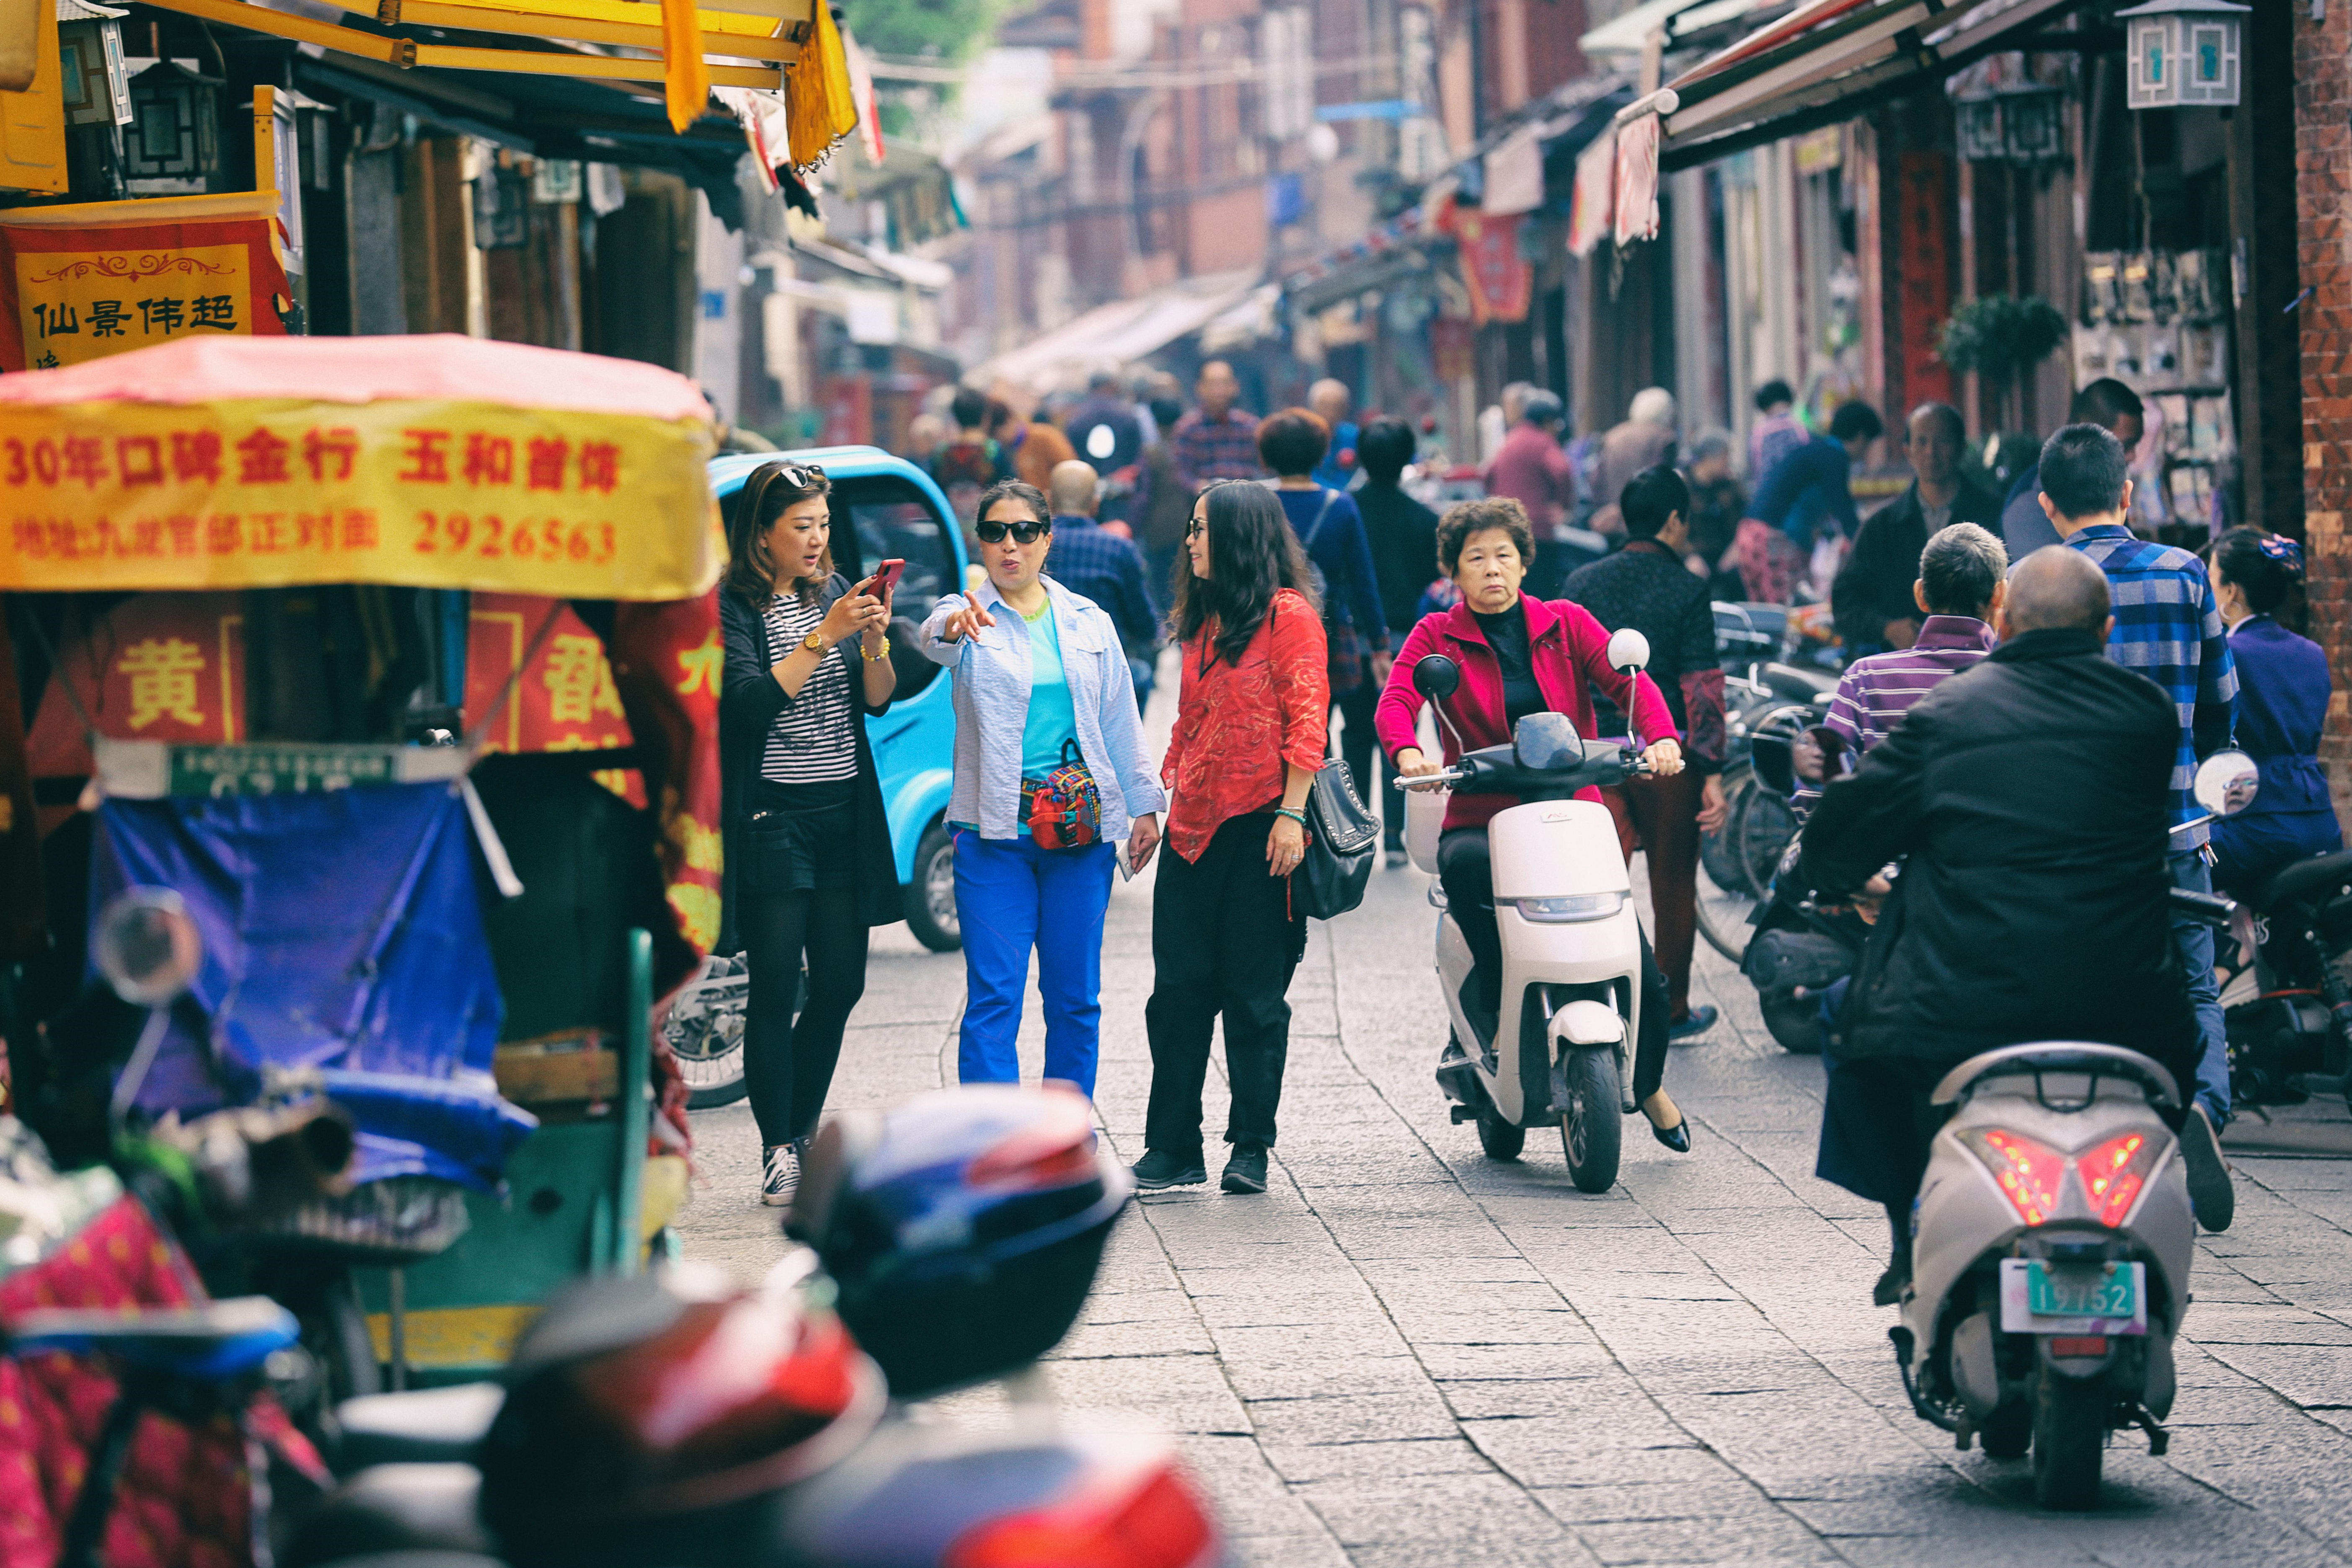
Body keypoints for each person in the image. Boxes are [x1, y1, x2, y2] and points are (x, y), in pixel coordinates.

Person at [1799, 545, 2220, 1297]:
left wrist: (1836, 872)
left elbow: (1844, 829)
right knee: (2183, 1035)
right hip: (2127, 1004)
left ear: (2002, 615)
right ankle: (2168, 1130)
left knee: (1846, 1022)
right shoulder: (2146, 716)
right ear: (2105, 627)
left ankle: (1907, 1227)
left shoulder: (1947, 713)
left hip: (1963, 1005)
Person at [1375, 497, 1695, 1151]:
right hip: (1480, 813)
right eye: (1476, 559)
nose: (1492, 569)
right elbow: (1398, 697)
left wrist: (1658, 737)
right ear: (1453, 573)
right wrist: (1409, 749)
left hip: (1570, 811)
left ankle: (1650, 1083)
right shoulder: (1435, 635)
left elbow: (1625, 682)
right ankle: (1497, 1002)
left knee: (1644, 969)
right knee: (1463, 866)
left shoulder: (1565, 622)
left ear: (1524, 562)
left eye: (1503, 555)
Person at [2040, 422, 2237, 1223]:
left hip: (2073, 840)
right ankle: (2203, 1108)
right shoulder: (2186, 574)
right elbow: (2223, 704)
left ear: (2046, 504)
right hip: (2175, 830)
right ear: (2126, 493)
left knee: (2076, 986)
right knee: (2194, 986)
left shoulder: (2032, 583)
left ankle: (2099, 1144)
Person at [916, 480, 1166, 1101]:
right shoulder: (966, 614)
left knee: (1075, 996)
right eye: (996, 531)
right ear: (981, 541)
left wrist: (1144, 805)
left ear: (1047, 539)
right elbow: (932, 638)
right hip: (993, 834)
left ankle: (1064, 1134)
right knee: (994, 995)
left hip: (1078, 835)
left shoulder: (1088, 620)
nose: (1011, 544)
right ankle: (994, 1142)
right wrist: (953, 619)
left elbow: (1119, 718)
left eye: (1024, 531)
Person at [1136, 482, 1330, 1196]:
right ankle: (1171, 1146)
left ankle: (1250, 1145)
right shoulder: (1201, 623)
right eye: (1187, 528)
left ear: (1240, 535)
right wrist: (1151, 804)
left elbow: (1307, 719)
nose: (1188, 542)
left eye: (1200, 529)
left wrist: (1291, 814)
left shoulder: (1289, 616)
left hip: (1260, 827)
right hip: (1190, 833)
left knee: (1253, 999)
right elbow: (1187, 724)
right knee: (1176, 995)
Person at [718, 461, 901, 1206]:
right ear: (762, 535)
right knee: (774, 985)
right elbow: (750, 703)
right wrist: (824, 636)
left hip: (843, 811)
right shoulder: (736, 605)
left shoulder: (837, 590)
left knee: (839, 983)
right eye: (802, 526)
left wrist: (875, 642)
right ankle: (778, 1148)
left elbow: (879, 701)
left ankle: (798, 1128)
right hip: (773, 818)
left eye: (823, 524)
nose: (818, 539)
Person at [1564, 465, 1729, 1039]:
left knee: (1594, 886)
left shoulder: (1581, 582)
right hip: (1664, 754)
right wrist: (1709, 769)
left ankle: (1592, 1000)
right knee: (1672, 883)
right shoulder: (1686, 586)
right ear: (1674, 521)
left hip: (1592, 754)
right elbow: (1701, 684)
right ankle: (1670, 1008)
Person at [1796, 523, 2005, 821]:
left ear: (1921, 595)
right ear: (2000, 595)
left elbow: (1812, 797)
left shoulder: (1865, 679)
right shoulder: (2020, 684)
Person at [1262, 408, 1391, 834]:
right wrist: (1378, 646)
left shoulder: (1258, 504)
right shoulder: (1340, 506)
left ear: (1268, 453)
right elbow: (1363, 581)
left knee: (1291, 728)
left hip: (1269, 635)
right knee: (1341, 725)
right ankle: (1348, 818)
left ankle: (1298, 813)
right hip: (1333, 633)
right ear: (1320, 452)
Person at [2205, 530, 2339, 895]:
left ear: (2231, 590)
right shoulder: (2312, 652)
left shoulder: (2226, 656)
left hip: (2256, 831)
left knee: (2182, 865)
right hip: (2320, 821)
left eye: (2212, 579)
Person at [1830, 403, 2003, 654]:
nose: (1931, 452)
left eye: (1942, 441)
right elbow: (1846, 604)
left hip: (1980, 663)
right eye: (1921, 442)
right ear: (1907, 452)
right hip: (1901, 668)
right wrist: (1887, 628)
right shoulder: (1881, 526)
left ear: (1961, 448)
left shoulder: (1992, 515)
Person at [1354, 417, 1443, 864]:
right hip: (1407, 635)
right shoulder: (1424, 519)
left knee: (1355, 731)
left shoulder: (1346, 509)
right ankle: (1393, 836)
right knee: (1400, 728)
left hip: (1352, 636)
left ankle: (1350, 829)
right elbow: (1432, 577)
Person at [1737, 400, 1882, 605]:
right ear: (1860, 437)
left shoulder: (1819, 451)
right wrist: (1871, 551)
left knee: (1766, 620)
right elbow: (1845, 513)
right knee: (1786, 619)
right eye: (1869, 444)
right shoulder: (1834, 458)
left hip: (1750, 535)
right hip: (1771, 539)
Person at [1044, 459, 1161, 705]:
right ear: (1096, 503)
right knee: (1140, 673)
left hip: (1044, 666)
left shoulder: (1036, 545)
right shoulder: (1118, 549)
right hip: (1103, 672)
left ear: (1050, 501)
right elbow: (1143, 623)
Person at [2001, 378, 2144, 559]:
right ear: (2088, 431)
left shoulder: (2105, 489)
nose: (2132, 456)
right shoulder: (2028, 503)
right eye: (2126, 445)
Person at [1587, 387, 1679, 537]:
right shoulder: (1664, 438)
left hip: (1611, 520)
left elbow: (1596, 480)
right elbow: (1658, 480)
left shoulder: (1612, 435)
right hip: (1647, 522)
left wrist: (1605, 509)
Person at [1481, 389, 1573, 531]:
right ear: (1548, 421)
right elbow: (1561, 471)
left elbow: (1488, 476)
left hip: (1505, 524)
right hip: (1537, 526)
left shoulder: (1509, 439)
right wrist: (1562, 506)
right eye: (1557, 424)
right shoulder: (1544, 441)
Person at [1065, 370, 1148, 526]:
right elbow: (1139, 458)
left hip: (1089, 496)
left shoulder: (1076, 419)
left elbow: (1072, 457)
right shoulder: (1127, 415)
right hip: (1124, 494)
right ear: (1112, 385)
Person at [1171, 360, 1264, 496]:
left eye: (1226, 383)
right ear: (1200, 388)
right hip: (1206, 506)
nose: (1220, 389)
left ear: (1235, 387)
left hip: (1247, 502)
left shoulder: (1250, 425)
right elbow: (1181, 474)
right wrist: (1199, 487)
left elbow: (1263, 469)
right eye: (1213, 383)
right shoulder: (1187, 428)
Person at [931, 386, 1014, 522]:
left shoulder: (941, 454)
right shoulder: (995, 452)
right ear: (985, 416)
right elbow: (1010, 494)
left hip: (951, 531)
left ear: (956, 417)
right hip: (989, 531)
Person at [1137, 393, 1192, 594]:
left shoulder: (1151, 452)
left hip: (1158, 530)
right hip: (1188, 525)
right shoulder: (1188, 448)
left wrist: (1133, 526)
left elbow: (1144, 495)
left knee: (1162, 587)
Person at [1680, 430, 1745, 594]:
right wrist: (1688, 557)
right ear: (1709, 459)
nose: (1728, 464)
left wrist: (1737, 546)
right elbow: (1672, 529)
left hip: (1727, 558)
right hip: (1695, 558)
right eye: (1725, 458)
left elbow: (1747, 520)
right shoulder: (1682, 488)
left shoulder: (1732, 487)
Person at [994, 398, 1076, 493]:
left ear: (1009, 421)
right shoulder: (1010, 450)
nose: (1000, 440)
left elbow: (1072, 472)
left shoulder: (1045, 436)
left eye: (998, 434)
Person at [1748, 378, 1808, 488]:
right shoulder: (1803, 425)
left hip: (1769, 497)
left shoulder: (1758, 433)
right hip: (1802, 494)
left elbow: (1756, 470)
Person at [1308, 378, 1360, 490]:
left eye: (1337, 406)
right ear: (1314, 407)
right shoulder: (1306, 437)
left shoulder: (1354, 435)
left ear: (1346, 408)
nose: (1331, 413)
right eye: (1325, 406)